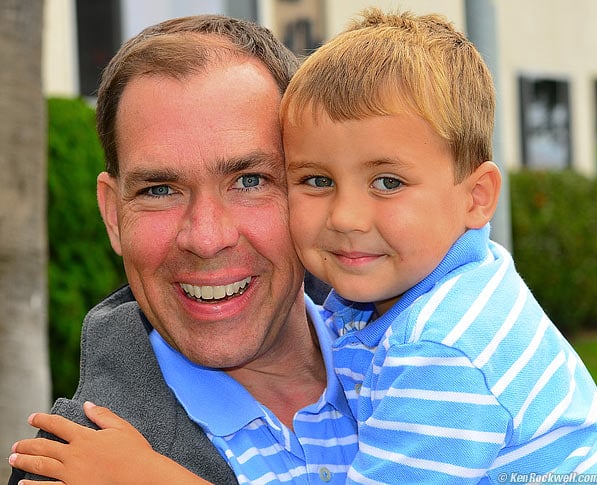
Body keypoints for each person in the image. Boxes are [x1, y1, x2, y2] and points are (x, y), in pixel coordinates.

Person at [8, 14, 356, 485]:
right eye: (159, 190)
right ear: (113, 215)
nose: (207, 237)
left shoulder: (451, 356)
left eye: (249, 181)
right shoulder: (71, 472)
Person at [279, 7, 597, 483]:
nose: (345, 216)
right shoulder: (454, 280)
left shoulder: (441, 349)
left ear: (476, 199)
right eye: (316, 179)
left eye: (387, 182)